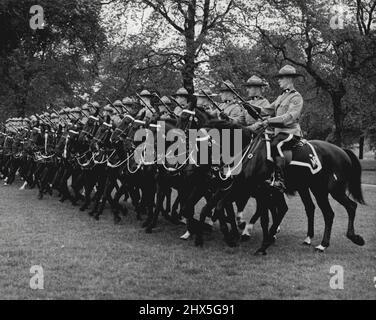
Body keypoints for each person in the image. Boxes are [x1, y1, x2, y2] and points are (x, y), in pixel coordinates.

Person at [251, 65, 304, 192]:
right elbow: (266, 110)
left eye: (281, 78)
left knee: (276, 145)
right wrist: (249, 106)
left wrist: (268, 121)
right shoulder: (281, 97)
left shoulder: (296, 97)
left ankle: (280, 179)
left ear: (289, 79)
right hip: (279, 133)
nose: (279, 80)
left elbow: (288, 117)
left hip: (291, 133)